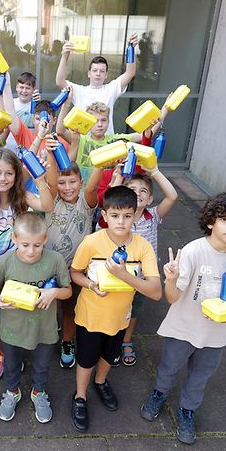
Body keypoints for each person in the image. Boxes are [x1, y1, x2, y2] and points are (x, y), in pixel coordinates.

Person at [140, 191, 226, 445]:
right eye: (225, 219)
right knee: (169, 367)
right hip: (183, 328)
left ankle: (187, 410)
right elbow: (172, 298)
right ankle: (159, 393)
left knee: (201, 375)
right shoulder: (193, 252)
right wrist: (170, 279)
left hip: (215, 335)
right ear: (210, 222)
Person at [69, 186, 161, 432]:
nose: (121, 222)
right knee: (86, 359)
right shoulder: (92, 242)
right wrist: (91, 284)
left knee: (109, 355)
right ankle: (80, 396)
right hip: (90, 315)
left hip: (120, 317)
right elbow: (75, 273)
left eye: (127, 216)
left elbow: (155, 291)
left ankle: (101, 382)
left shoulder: (142, 247)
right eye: (115, 215)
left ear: (135, 215)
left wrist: (123, 275)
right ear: (105, 216)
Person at [0, 148, 54, 379]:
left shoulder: (21, 197)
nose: (2, 178)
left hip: (18, 269)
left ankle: (16, 349)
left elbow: (47, 206)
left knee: (17, 312)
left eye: (8, 173)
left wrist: (40, 181)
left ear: (16, 175)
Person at [0, 212, 72, 423]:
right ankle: (12, 391)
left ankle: (39, 392)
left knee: (43, 365)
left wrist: (54, 293)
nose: (31, 251)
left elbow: (68, 290)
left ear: (45, 239)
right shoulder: (4, 262)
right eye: (25, 245)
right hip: (12, 329)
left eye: (37, 245)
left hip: (44, 328)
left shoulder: (55, 260)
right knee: (12, 364)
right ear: (14, 239)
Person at [42, 139, 104, 369]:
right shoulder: (52, 198)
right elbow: (50, 180)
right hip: (48, 264)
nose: (67, 187)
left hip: (75, 268)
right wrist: (50, 153)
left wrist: (101, 163)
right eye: (63, 182)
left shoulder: (86, 203)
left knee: (69, 309)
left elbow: (92, 189)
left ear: (80, 182)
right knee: (47, 303)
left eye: (72, 182)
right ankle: (46, 337)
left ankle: (67, 341)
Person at [110, 167, 178, 367]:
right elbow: (110, 198)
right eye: (132, 189)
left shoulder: (153, 215)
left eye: (143, 191)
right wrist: (119, 177)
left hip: (142, 278)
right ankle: (112, 336)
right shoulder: (120, 216)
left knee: (135, 309)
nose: (137, 194)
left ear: (149, 199)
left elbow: (172, 196)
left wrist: (155, 171)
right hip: (118, 274)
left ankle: (126, 340)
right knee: (116, 307)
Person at [55, 34, 138, 135]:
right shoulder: (79, 91)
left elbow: (130, 73)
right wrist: (65, 56)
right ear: (89, 73)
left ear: (106, 75)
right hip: (84, 144)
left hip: (106, 143)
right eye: (95, 70)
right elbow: (60, 81)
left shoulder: (110, 89)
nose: (98, 74)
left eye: (102, 71)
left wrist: (131, 50)